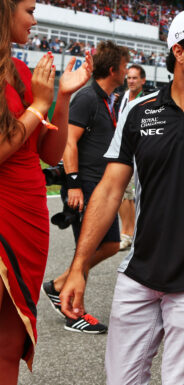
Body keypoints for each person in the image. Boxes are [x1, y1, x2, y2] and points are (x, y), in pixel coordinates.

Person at [57, 7, 184, 385]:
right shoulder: (138, 110)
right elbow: (109, 190)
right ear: (179, 51)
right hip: (138, 274)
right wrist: (78, 267)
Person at [0, 0, 92, 381]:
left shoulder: (24, 71)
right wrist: (39, 103)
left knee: (7, 347)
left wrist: (62, 98)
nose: (35, 20)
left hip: (29, 216)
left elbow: (49, 154)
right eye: (29, 9)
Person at [42, 40, 129, 334]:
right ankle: (74, 312)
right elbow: (69, 140)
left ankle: (58, 285)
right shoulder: (88, 97)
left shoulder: (107, 98)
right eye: (125, 66)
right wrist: (74, 183)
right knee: (86, 248)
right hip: (85, 184)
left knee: (111, 245)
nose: (128, 71)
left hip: (100, 185)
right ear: (114, 69)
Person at [117, 64, 146, 251]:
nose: (131, 81)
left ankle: (133, 233)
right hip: (123, 150)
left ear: (143, 80)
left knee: (138, 196)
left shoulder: (148, 100)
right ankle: (128, 233)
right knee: (123, 194)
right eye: (129, 77)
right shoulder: (122, 97)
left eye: (135, 78)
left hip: (141, 152)